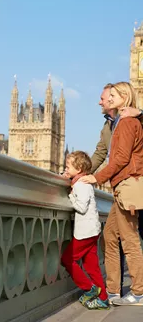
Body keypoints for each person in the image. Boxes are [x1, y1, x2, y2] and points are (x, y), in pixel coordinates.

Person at [81, 82, 143, 306]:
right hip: (121, 186)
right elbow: (101, 153)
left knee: (130, 241)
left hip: (129, 184)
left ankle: (138, 292)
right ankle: (113, 289)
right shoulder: (114, 124)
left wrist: (96, 178)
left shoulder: (127, 123)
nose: (103, 100)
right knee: (110, 236)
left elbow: (121, 159)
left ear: (124, 98)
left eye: (111, 95)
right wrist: (83, 171)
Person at [61, 151, 109, 310]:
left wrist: (70, 196)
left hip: (85, 232)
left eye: (68, 166)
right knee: (92, 266)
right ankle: (103, 298)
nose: (65, 168)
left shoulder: (81, 185)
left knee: (67, 260)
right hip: (92, 230)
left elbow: (81, 207)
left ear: (79, 169)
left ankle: (89, 288)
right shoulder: (81, 183)